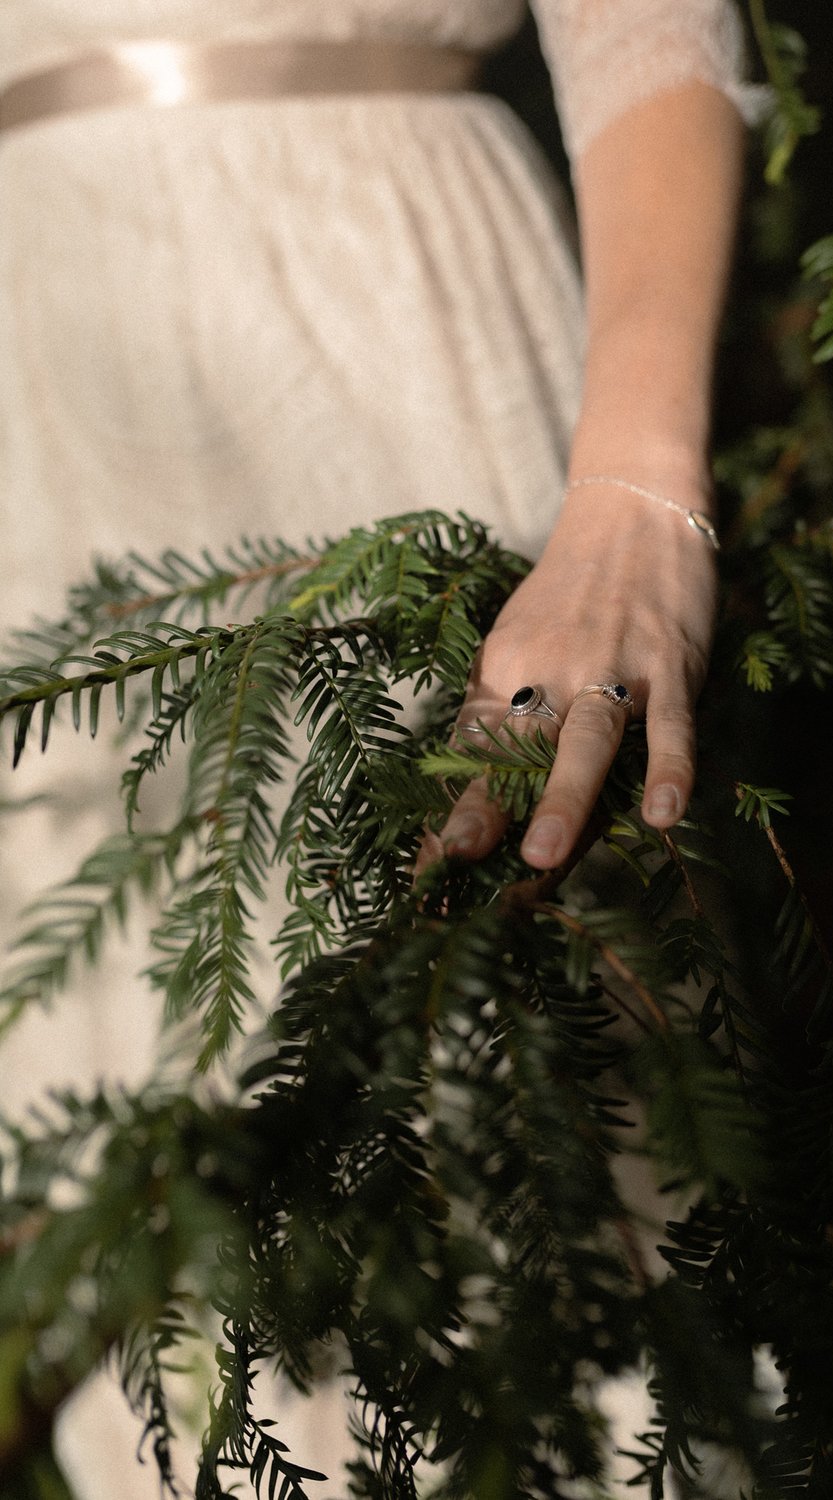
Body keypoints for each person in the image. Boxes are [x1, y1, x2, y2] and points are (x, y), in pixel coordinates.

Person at [0, 2, 761, 1493]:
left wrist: (636, 490)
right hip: (35, 416)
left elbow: (649, 34)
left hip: (394, 320)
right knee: (140, 1280)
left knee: (514, 1191)